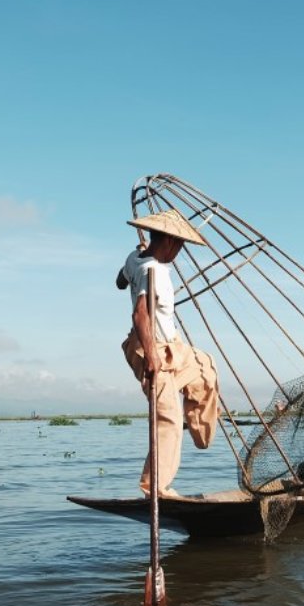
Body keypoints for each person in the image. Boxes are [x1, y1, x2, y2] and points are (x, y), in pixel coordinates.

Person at [118, 210, 220, 498]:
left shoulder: (135, 258)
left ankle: (200, 430)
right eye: (179, 246)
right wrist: (152, 357)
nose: (179, 251)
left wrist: (134, 266)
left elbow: (120, 281)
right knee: (168, 420)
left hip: (170, 344)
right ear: (170, 242)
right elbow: (140, 315)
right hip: (151, 346)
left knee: (204, 367)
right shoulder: (155, 271)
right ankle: (155, 488)